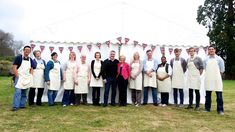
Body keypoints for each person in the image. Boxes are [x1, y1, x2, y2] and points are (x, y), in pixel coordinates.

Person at [12, 46, 34, 111]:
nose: (27, 51)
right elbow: (14, 67)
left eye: (29, 50)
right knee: (18, 92)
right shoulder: (18, 58)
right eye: (26, 50)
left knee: (25, 92)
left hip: (26, 78)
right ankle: (15, 106)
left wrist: (31, 75)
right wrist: (17, 76)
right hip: (19, 77)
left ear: (30, 51)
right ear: (23, 50)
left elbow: (32, 68)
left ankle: (22, 105)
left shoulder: (30, 59)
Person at [204, 45, 225, 115]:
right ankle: (207, 108)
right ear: (208, 51)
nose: (211, 50)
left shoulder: (219, 59)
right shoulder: (205, 59)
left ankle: (220, 110)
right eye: (209, 49)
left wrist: (218, 77)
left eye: (212, 49)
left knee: (219, 95)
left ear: (215, 50)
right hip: (208, 79)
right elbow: (205, 68)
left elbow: (222, 70)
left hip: (217, 79)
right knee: (208, 95)